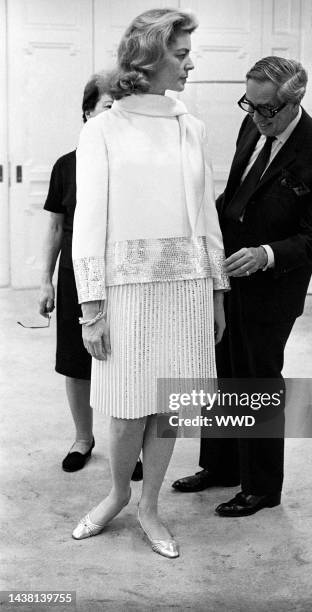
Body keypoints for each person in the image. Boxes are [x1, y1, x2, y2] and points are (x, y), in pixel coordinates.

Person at [70, 8, 228, 558]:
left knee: (170, 404)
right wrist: (91, 306)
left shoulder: (192, 127)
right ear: (150, 56)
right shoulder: (103, 129)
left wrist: (216, 290)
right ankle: (116, 494)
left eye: (188, 54)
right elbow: (87, 224)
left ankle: (150, 505)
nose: (190, 65)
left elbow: (205, 214)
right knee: (125, 404)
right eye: (181, 55)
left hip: (186, 285)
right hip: (125, 289)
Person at [172, 56, 312, 517]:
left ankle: (262, 488)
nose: (254, 116)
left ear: (293, 104)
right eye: (249, 104)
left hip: (273, 288)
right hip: (227, 274)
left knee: (257, 381)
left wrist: (265, 254)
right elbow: (236, 196)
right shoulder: (253, 127)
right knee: (223, 372)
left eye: (266, 109)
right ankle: (221, 466)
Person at [39, 75, 143, 480]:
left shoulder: (132, 164)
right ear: (87, 112)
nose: (115, 114)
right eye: (106, 106)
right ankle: (84, 438)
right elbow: (54, 228)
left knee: (125, 363)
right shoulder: (66, 166)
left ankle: (128, 446)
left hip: (123, 275)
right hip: (75, 277)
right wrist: (45, 280)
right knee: (76, 362)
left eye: (121, 106)